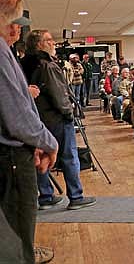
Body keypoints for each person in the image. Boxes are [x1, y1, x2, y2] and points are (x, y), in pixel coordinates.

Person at [0, 0, 59, 264]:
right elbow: (16, 114)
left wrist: (34, 140)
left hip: (16, 153)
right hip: (10, 161)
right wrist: (48, 141)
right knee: (15, 249)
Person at [21, 29, 98, 213]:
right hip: (56, 118)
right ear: (39, 44)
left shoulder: (25, 63)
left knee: (41, 157)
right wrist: (69, 113)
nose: (53, 43)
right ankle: (76, 197)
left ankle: (46, 196)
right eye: (49, 40)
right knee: (69, 156)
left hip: (38, 118)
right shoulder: (47, 65)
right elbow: (58, 93)